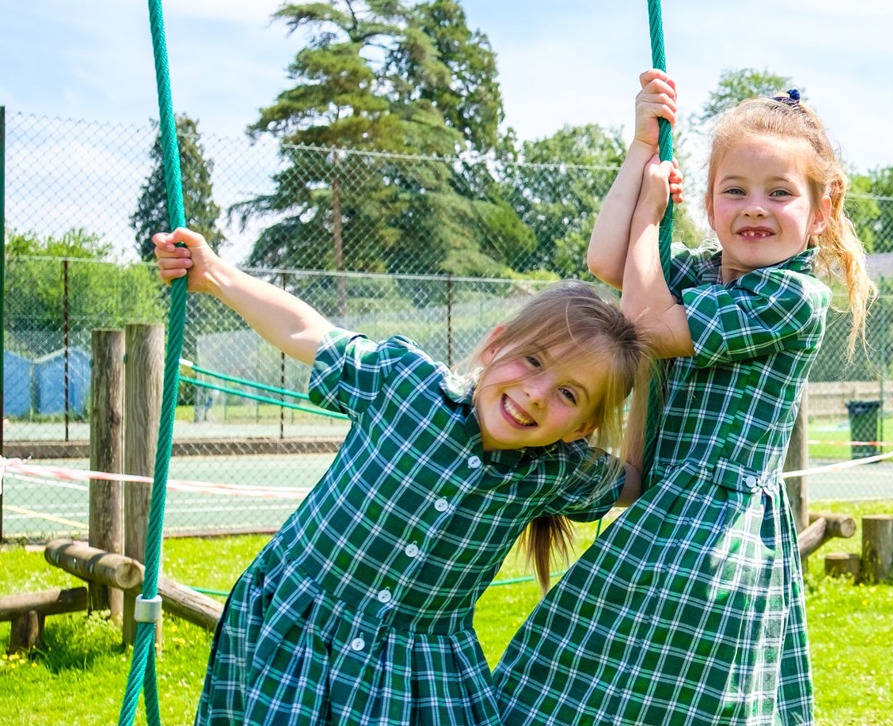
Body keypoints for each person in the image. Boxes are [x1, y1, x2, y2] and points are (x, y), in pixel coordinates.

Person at [492, 70, 874, 725]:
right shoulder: (698, 274)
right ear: (709, 202)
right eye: (735, 190)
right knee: (590, 673)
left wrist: (649, 218)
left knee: (675, 695)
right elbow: (608, 260)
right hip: (669, 505)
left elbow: (647, 324)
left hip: (715, 532)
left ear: (820, 212)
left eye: (779, 192)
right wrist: (642, 148)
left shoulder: (791, 297)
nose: (755, 207)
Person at [153, 229, 648, 725]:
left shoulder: (555, 472)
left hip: (415, 675)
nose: (537, 393)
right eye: (534, 360)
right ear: (495, 347)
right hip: (299, 632)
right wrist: (215, 274)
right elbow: (305, 330)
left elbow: (638, 479)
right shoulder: (404, 384)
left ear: (582, 428)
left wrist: (660, 347)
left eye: (569, 394)